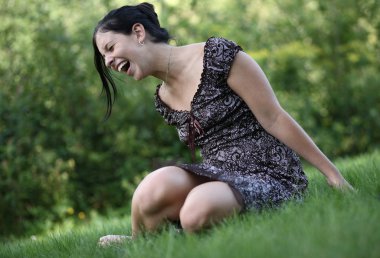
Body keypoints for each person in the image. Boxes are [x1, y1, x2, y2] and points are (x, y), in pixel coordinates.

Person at [93, 2, 353, 246]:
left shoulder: (217, 56)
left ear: (138, 32)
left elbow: (274, 117)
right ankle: (143, 243)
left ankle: (182, 226)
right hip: (217, 172)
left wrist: (333, 175)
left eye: (110, 48)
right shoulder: (162, 98)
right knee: (152, 185)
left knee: (197, 210)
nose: (108, 62)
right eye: (104, 56)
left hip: (269, 172)